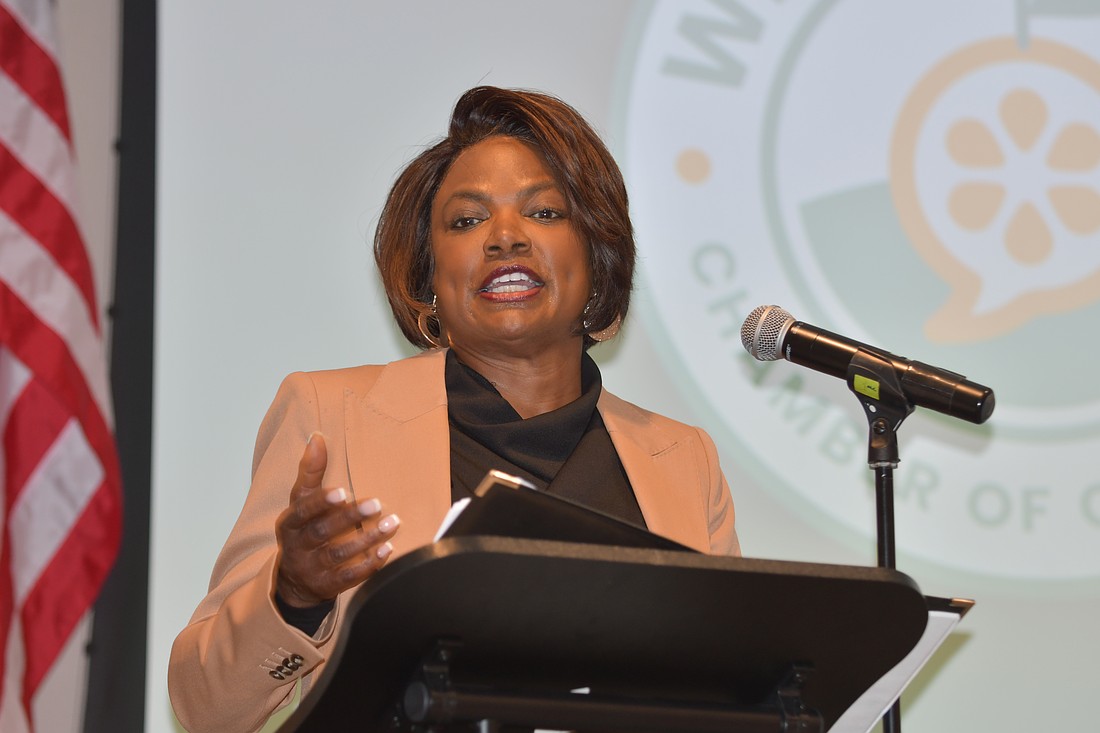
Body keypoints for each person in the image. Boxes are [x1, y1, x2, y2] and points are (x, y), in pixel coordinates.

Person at [168, 86, 740, 733]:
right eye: (467, 221)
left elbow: (737, 694)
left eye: (545, 212)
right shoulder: (331, 415)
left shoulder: (684, 459)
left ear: (598, 256)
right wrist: (293, 597)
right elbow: (204, 706)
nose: (505, 239)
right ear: (430, 279)